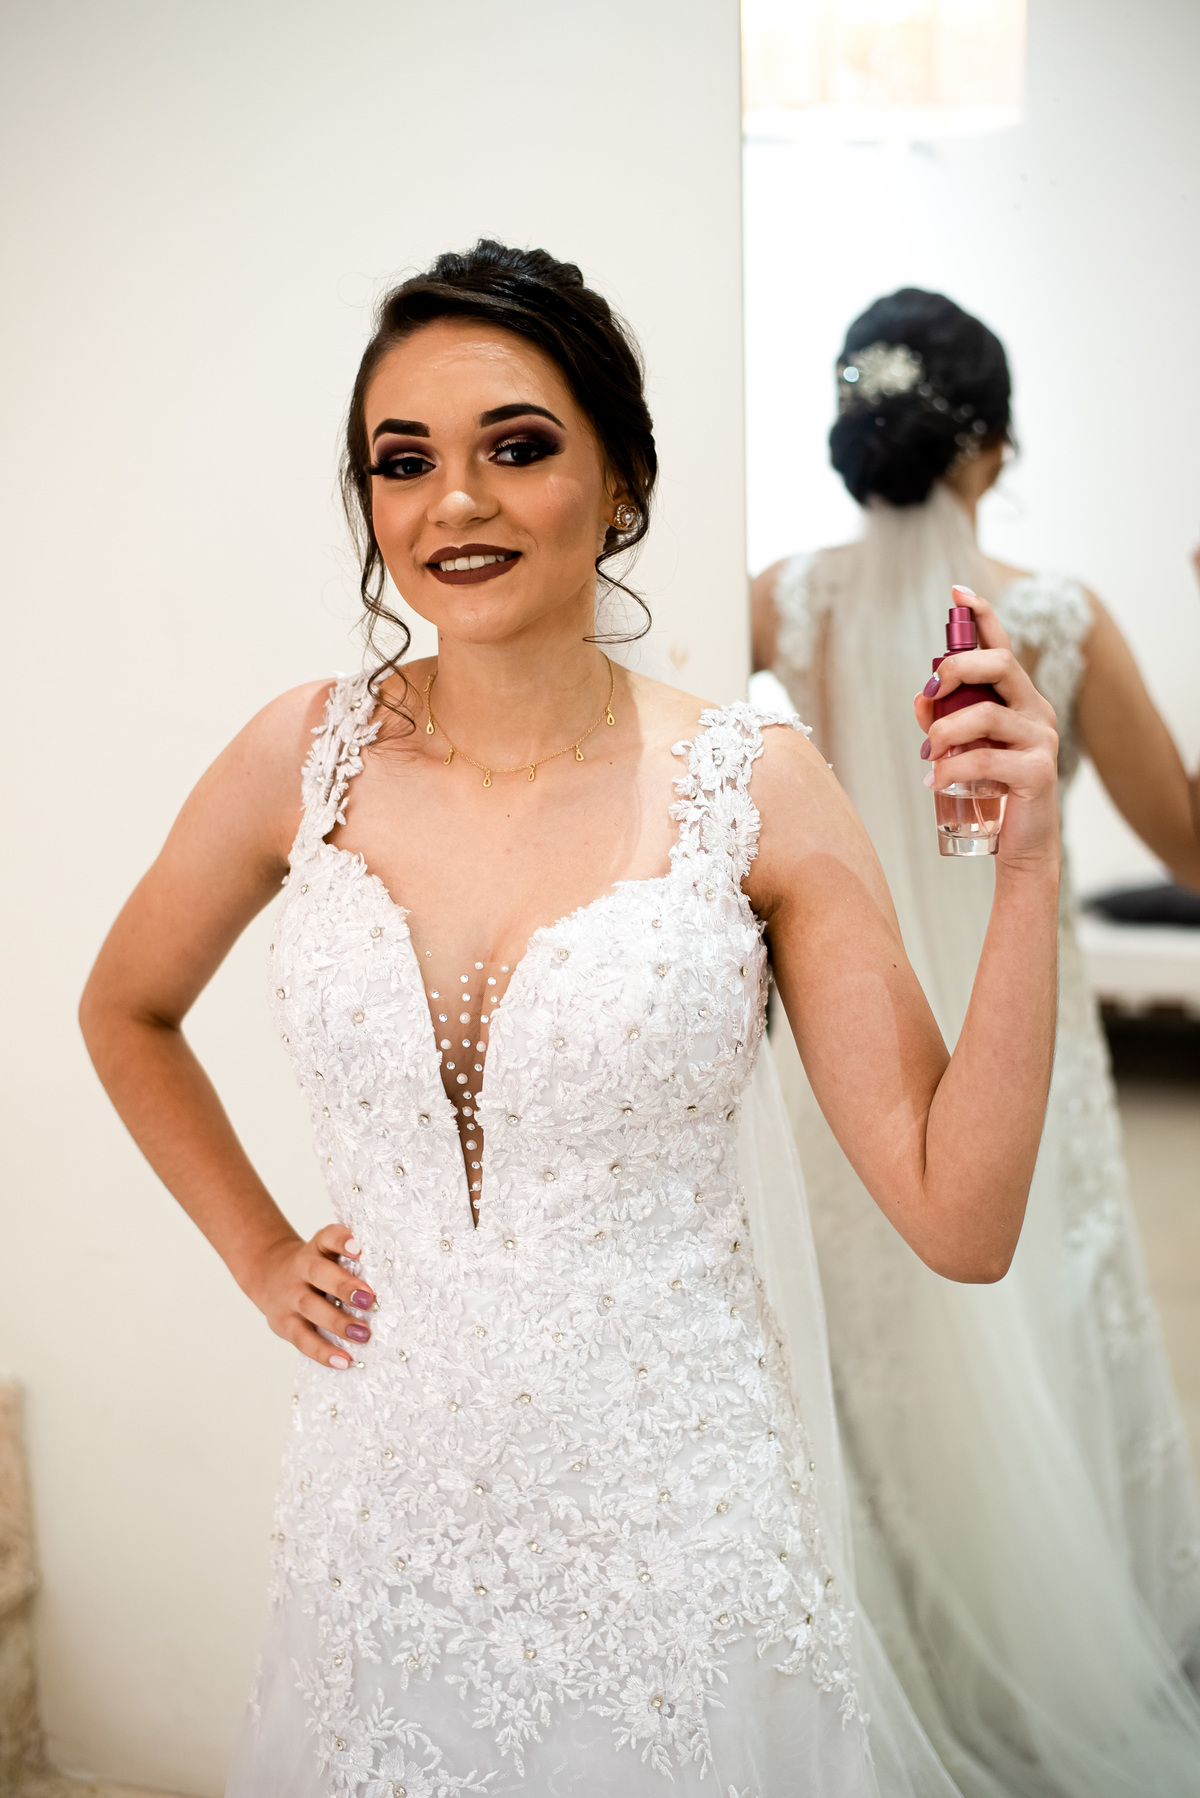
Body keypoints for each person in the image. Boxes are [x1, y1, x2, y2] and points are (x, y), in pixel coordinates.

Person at [78, 240, 1086, 1798]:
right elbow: (126, 1007)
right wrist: (260, 1249)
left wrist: (1027, 868)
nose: (453, 502)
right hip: (380, 1519)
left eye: (517, 446)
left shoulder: (755, 790)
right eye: (403, 462)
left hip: (675, 1535)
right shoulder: (303, 758)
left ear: (621, 483)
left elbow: (962, 1217)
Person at [753, 287, 1200, 1798]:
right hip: (1025, 1052)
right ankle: (1059, 1655)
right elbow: (1191, 847)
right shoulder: (1059, 616)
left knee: (866, 1354)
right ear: (993, 451)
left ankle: (898, 1671)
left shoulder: (783, 603)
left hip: (849, 1058)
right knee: (1042, 1319)